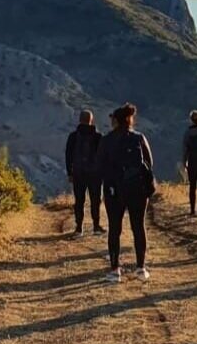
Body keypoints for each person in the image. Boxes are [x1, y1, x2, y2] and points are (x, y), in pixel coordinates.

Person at [95, 104, 154, 282]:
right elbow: (149, 163)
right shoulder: (139, 138)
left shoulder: (106, 140)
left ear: (116, 121)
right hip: (137, 190)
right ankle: (141, 268)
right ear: (130, 120)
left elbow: (99, 167)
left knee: (115, 229)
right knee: (138, 227)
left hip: (114, 190)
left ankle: (115, 270)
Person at [63, 109, 103, 237]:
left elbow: (68, 155)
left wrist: (70, 172)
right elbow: (103, 156)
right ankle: (96, 226)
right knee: (95, 200)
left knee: (79, 201)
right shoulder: (98, 137)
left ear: (80, 120)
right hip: (95, 174)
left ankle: (79, 228)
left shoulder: (73, 136)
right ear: (91, 120)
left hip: (78, 173)